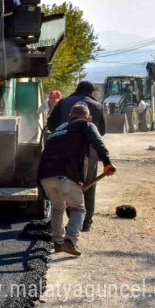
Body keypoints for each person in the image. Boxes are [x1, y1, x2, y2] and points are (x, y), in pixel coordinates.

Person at [38, 103, 116, 256]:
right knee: (78, 209)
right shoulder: (86, 125)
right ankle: (70, 241)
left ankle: (58, 243)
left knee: (57, 208)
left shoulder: (58, 129)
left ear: (70, 116)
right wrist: (107, 162)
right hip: (67, 174)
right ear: (88, 116)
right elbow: (98, 142)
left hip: (45, 175)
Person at [47, 80, 106, 232]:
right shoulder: (98, 106)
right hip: (89, 153)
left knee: (65, 185)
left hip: (63, 151)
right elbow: (102, 132)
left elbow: (51, 125)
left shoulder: (64, 102)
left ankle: (63, 222)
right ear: (91, 92)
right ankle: (85, 223)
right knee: (89, 185)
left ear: (77, 89)